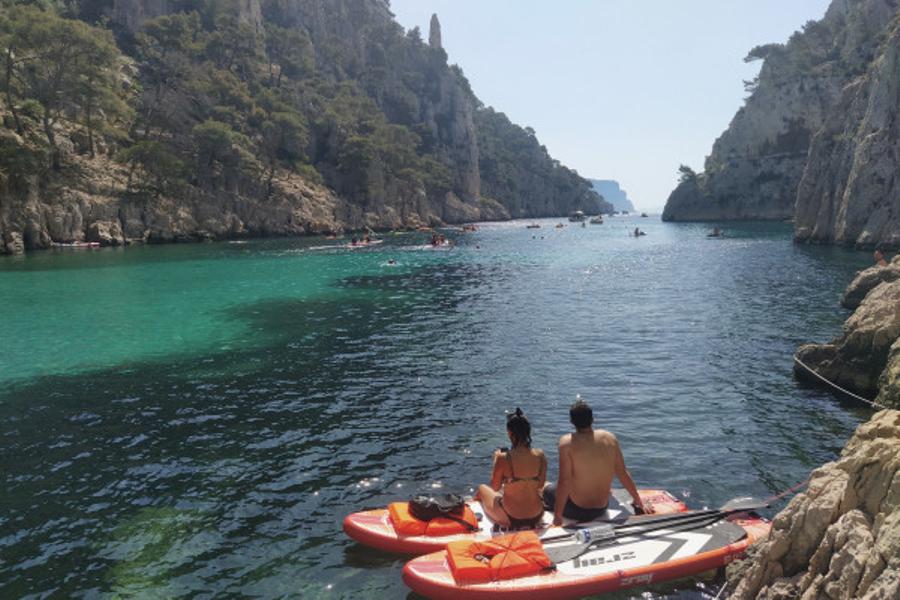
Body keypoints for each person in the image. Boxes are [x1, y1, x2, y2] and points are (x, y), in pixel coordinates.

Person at [544, 399, 645, 525]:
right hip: (602, 507)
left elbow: (564, 481)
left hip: (577, 510)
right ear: (593, 419)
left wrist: (558, 516)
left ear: (571, 422)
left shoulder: (566, 443)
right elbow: (622, 473)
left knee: (547, 490)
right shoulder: (610, 438)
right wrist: (638, 501)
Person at [477, 408, 548, 529]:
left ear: (509, 433)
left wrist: (496, 459)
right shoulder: (540, 455)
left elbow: (495, 487)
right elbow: (540, 485)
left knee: (482, 489)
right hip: (537, 515)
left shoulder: (502, 457)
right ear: (528, 432)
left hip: (510, 517)